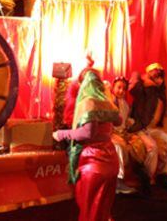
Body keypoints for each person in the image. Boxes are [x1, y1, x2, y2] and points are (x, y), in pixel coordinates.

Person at [53, 68, 121, 221]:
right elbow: (119, 120)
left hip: (94, 162)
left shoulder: (89, 102)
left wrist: (61, 134)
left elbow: (87, 133)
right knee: (103, 207)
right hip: (110, 160)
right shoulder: (105, 101)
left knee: (91, 208)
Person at [128, 62, 167, 186]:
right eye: (155, 74)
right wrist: (142, 78)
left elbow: (163, 105)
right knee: (152, 147)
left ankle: (163, 175)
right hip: (140, 127)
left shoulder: (159, 92)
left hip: (153, 128)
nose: (158, 77)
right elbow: (133, 88)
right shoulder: (142, 89)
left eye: (160, 74)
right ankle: (147, 178)